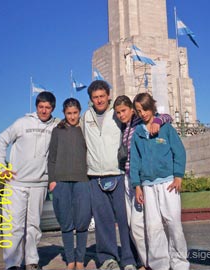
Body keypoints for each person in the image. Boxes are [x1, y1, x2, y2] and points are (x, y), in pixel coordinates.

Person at [0, 91, 59, 270]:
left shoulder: (56, 125)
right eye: (41, 107)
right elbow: (1, 140)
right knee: (14, 226)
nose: (44, 111)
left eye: (47, 108)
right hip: (16, 183)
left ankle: (31, 261)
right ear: (36, 107)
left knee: (33, 226)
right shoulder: (22, 123)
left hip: (39, 184)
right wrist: (1, 166)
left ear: (52, 108)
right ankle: (12, 264)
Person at [130, 93, 190, 270]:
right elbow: (135, 161)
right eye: (139, 111)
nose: (143, 114)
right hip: (147, 186)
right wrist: (137, 186)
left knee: (173, 223)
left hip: (168, 183)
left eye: (146, 109)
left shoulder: (166, 128)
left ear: (152, 108)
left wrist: (178, 175)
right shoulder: (138, 134)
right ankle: (159, 265)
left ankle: (179, 263)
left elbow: (179, 152)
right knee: (153, 226)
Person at [81, 80, 137, 270]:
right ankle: (108, 259)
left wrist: (158, 119)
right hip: (95, 176)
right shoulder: (85, 117)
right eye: (95, 97)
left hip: (119, 174)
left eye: (102, 96)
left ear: (108, 96)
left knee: (125, 220)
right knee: (103, 221)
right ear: (91, 99)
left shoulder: (117, 113)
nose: (99, 100)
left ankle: (130, 259)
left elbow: (139, 117)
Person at [113, 95, 172, 269]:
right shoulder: (124, 127)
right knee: (134, 225)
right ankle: (147, 262)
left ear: (132, 110)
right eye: (118, 113)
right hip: (128, 177)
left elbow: (167, 117)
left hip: (142, 178)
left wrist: (159, 120)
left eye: (124, 111)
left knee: (147, 223)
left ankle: (159, 262)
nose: (121, 115)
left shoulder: (140, 120)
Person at [47, 98, 91, 270]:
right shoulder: (57, 131)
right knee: (66, 224)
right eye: (68, 113)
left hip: (82, 180)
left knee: (82, 223)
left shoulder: (84, 129)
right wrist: (52, 181)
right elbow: (51, 158)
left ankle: (80, 260)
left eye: (75, 113)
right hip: (61, 182)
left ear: (79, 112)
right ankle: (70, 260)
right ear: (64, 114)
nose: (72, 117)